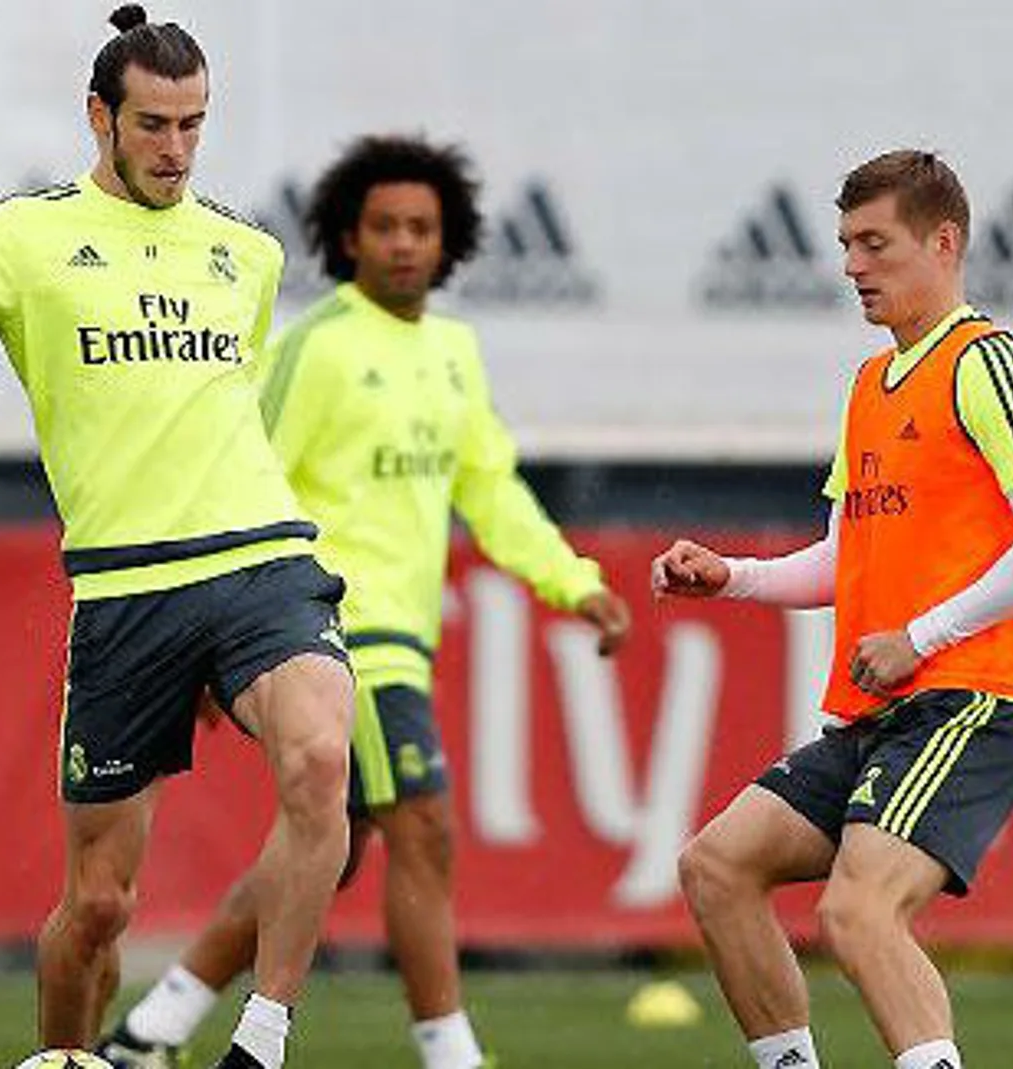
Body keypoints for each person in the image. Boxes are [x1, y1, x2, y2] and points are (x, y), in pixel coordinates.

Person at [0, 8, 355, 1068]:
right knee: (98, 907)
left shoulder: (244, 252)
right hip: (128, 594)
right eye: (154, 123)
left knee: (318, 763)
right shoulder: (26, 237)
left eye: (194, 124)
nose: (175, 149)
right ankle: (66, 1057)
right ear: (100, 117)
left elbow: (227, 412)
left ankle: (260, 1040)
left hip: (261, 562)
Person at [99, 134, 632, 1069]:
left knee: (328, 852)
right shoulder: (317, 347)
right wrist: (217, 631)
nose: (402, 243)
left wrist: (573, 581)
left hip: (405, 637)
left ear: (448, 240)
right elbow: (244, 472)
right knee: (421, 822)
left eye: (421, 227)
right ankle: (451, 1051)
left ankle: (156, 1025)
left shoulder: (455, 352)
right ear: (346, 238)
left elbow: (491, 488)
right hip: (330, 627)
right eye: (383, 225)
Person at [651, 149, 1013, 1069]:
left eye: (873, 243)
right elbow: (846, 557)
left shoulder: (991, 364)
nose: (852, 264)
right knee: (717, 867)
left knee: (858, 911)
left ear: (944, 242)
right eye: (846, 244)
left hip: (975, 696)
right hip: (884, 708)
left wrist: (922, 635)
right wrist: (730, 576)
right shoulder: (868, 386)